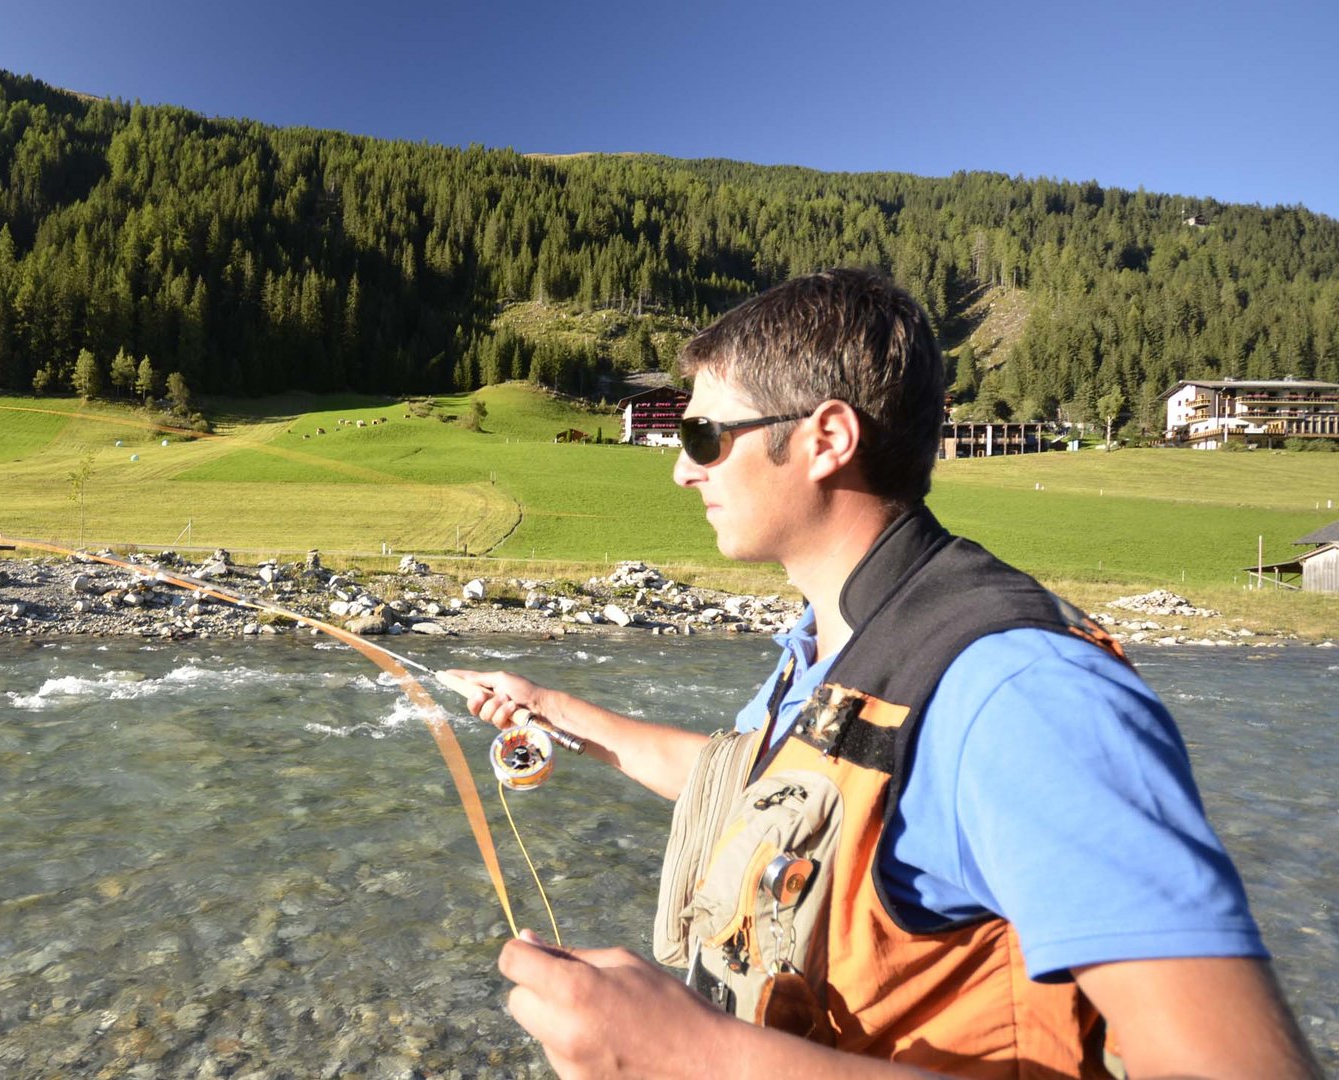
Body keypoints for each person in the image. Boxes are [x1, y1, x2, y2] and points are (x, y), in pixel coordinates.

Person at [448, 268, 1319, 1079]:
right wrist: (553, 708)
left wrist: (699, 1056)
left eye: (706, 435)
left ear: (827, 438)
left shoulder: (1023, 695)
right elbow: (754, 789)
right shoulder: (833, 639)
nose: (682, 468)